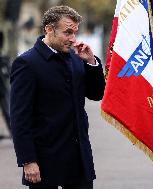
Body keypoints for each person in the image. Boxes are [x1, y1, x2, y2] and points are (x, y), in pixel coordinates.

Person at [10, 5, 105, 189]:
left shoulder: (77, 57)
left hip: (79, 159)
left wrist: (92, 62)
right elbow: (19, 118)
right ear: (49, 29)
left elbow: (96, 94)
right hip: (45, 161)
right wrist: (28, 160)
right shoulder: (26, 63)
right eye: (67, 32)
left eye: (74, 33)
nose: (73, 39)